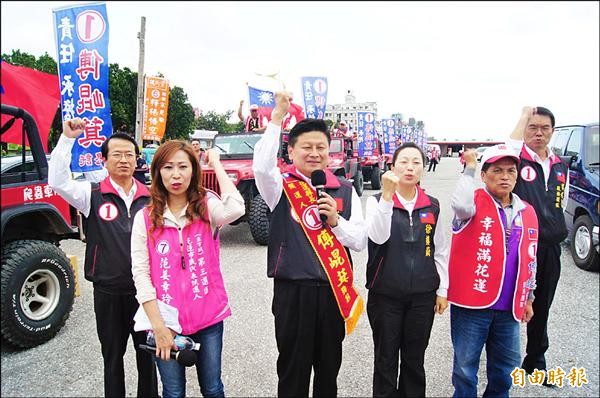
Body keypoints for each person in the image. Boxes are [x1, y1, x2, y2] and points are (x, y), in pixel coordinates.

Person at [253, 92, 367, 397]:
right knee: (292, 369)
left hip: (333, 291)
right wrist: (277, 117)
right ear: (291, 151)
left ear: (329, 153)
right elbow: (262, 168)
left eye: (321, 147)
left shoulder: (344, 189)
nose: (314, 153)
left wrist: (335, 222)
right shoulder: (279, 187)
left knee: (328, 371)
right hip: (293, 293)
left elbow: (359, 241)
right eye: (306, 147)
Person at [48, 119, 158, 398]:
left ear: (137, 161)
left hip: (145, 293)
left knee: (148, 354)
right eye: (117, 155)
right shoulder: (91, 194)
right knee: (112, 355)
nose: (123, 160)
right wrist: (67, 138)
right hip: (108, 290)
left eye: (129, 155)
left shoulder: (152, 198)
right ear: (104, 161)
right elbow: (57, 181)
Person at [131, 141, 244, 398]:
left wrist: (214, 162)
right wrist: (158, 326)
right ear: (157, 171)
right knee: (172, 391)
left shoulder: (206, 207)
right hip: (165, 322)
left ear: (194, 170)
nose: (176, 174)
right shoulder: (145, 218)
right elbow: (141, 273)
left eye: (183, 166)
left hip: (209, 318)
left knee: (213, 388)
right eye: (168, 167)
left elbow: (236, 208)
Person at [448, 145, 538, 397]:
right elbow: (460, 205)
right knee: (465, 369)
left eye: (511, 171)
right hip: (473, 305)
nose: (505, 176)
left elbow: (531, 257)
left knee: (506, 368)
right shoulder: (473, 204)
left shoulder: (526, 212)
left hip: (509, 307)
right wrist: (470, 169)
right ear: (485, 175)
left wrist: (529, 297)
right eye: (497, 171)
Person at [365, 142, 449, 397]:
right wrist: (388, 198)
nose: (410, 168)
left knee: (414, 359)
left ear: (424, 168)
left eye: (416, 162)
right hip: (385, 295)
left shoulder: (432, 205)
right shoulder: (377, 201)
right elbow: (377, 237)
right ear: (392, 167)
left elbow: (440, 248)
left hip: (422, 296)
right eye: (404, 162)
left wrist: (442, 288)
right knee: (386, 358)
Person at [508, 106, 569, 386]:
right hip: (519, 245)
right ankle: (500, 358)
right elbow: (506, 146)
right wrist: (522, 117)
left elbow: (562, 203)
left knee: (542, 304)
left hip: (550, 248)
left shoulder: (559, 165)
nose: (539, 133)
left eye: (545, 128)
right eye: (532, 127)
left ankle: (535, 363)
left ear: (552, 132)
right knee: (508, 301)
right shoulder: (517, 160)